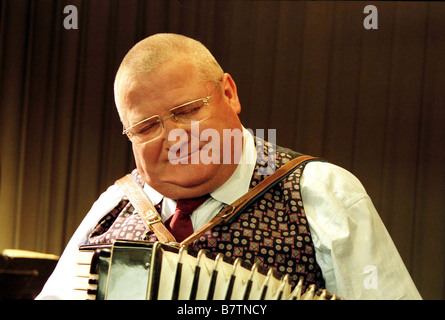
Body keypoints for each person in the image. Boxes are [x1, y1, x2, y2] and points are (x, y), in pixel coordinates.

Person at [37, 33, 421, 300]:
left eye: (187, 111)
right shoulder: (113, 206)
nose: (174, 138)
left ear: (229, 93)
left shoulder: (322, 192)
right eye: (146, 127)